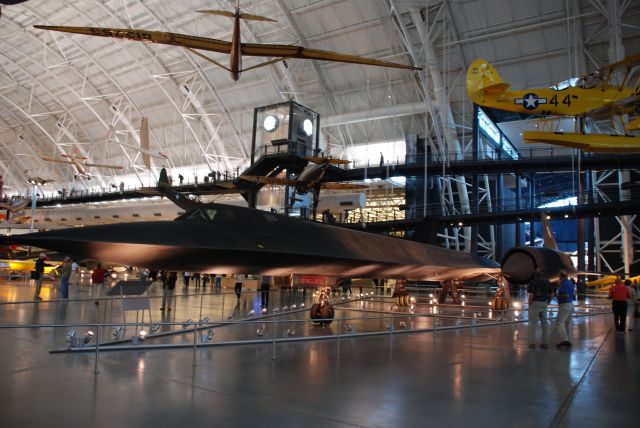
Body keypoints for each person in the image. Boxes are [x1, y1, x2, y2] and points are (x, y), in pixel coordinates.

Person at [527, 269, 553, 349]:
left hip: (535, 303)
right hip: (544, 303)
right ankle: (545, 343)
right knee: (544, 323)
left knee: (532, 324)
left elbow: (531, 295)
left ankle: (532, 343)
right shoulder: (547, 281)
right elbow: (552, 293)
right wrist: (548, 302)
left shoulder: (533, 282)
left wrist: (530, 304)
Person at [555, 270, 575, 349]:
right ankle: (569, 339)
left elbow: (565, 295)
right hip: (570, 305)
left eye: (558, 275)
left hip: (565, 305)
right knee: (568, 323)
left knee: (559, 323)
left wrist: (557, 295)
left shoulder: (564, 285)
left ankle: (564, 340)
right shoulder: (570, 283)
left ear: (561, 276)